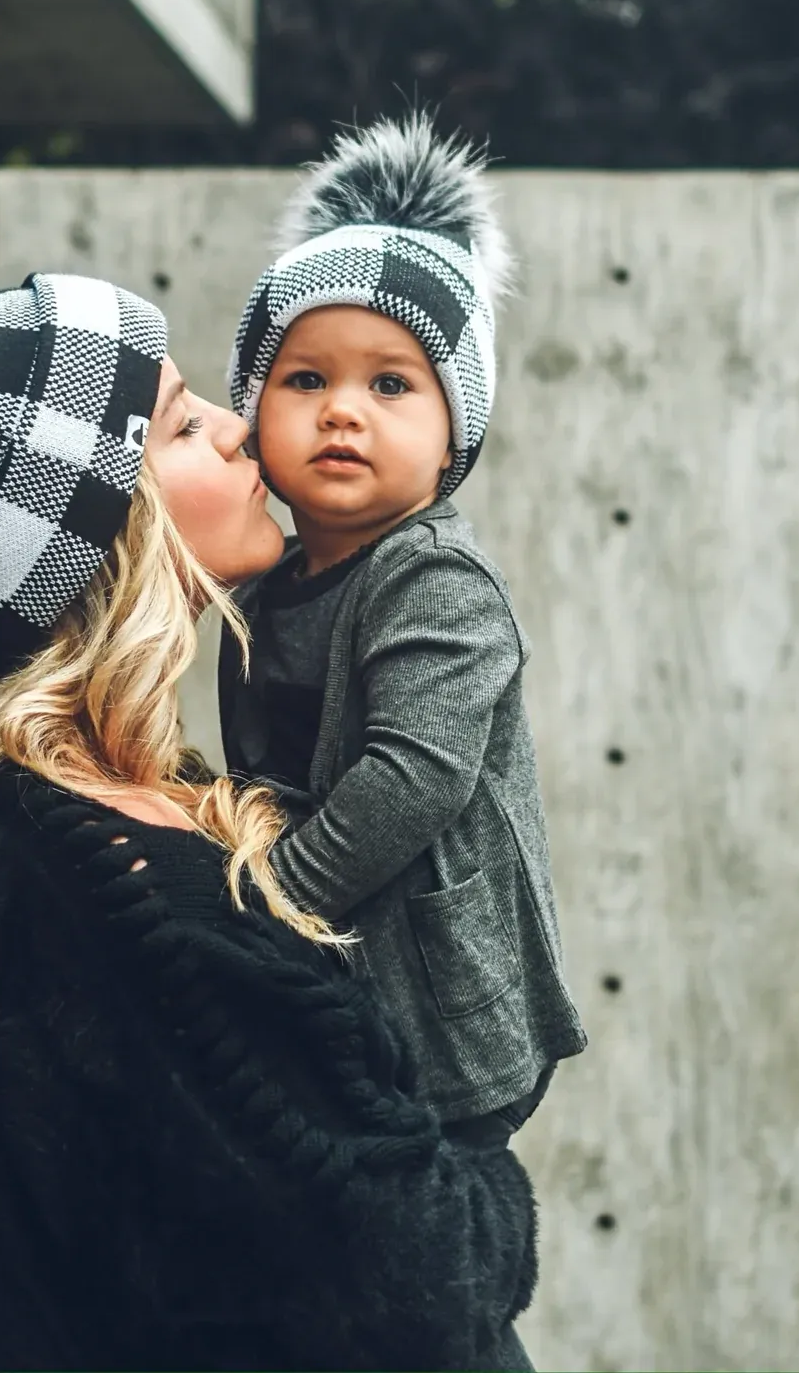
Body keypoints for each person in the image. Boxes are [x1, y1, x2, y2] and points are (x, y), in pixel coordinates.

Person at [0, 226, 539, 1370]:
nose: (237, 421)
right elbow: (435, 1284)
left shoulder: (35, 817)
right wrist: (494, 1176)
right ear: (96, 528)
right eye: (177, 423)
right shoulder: (131, 893)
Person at [220, 114, 587, 1147]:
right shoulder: (269, 576)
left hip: (446, 1009)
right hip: (343, 978)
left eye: (390, 384)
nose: (344, 411)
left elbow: (412, 777)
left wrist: (266, 905)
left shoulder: (435, 576)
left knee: (428, 1229)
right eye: (306, 379)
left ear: (452, 434)